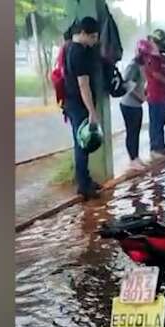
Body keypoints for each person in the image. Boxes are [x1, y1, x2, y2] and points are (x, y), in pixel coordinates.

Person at [63, 17, 102, 200]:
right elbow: (83, 85)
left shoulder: (71, 47)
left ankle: (85, 180)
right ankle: (83, 186)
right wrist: (92, 112)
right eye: (93, 37)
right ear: (84, 34)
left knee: (83, 146)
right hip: (79, 105)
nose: (95, 41)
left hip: (74, 104)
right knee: (82, 144)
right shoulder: (78, 53)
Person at [119, 39, 156, 173]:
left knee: (136, 131)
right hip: (129, 104)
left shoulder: (141, 65)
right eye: (146, 55)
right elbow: (127, 86)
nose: (148, 58)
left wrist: (144, 93)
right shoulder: (133, 66)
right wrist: (141, 97)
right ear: (141, 53)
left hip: (136, 104)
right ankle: (132, 160)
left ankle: (136, 157)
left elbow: (140, 84)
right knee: (132, 132)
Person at [144, 29, 165, 160]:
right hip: (155, 96)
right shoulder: (150, 59)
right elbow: (156, 75)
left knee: (162, 122)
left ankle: (161, 146)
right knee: (155, 123)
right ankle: (155, 148)